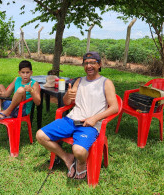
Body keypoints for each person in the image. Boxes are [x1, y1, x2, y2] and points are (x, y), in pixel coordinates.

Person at [36, 52, 118, 180]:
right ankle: (66, 157)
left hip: (89, 124)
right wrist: (67, 96)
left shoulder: (106, 83)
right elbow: (67, 102)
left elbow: (115, 107)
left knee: (79, 151)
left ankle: (81, 163)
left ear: (99, 64)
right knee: (40, 135)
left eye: (92, 63)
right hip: (71, 119)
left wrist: (95, 118)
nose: (89, 66)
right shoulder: (79, 81)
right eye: (86, 63)